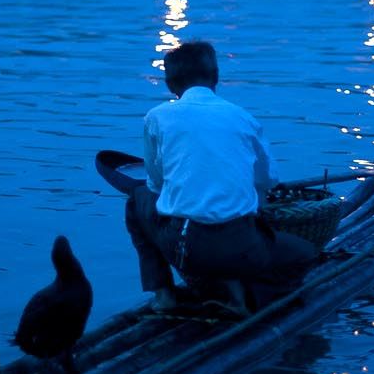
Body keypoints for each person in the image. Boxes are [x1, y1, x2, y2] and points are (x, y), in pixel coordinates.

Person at [125, 40, 314, 312]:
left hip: (185, 248)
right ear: (216, 78)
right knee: (304, 254)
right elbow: (268, 180)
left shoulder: (158, 117)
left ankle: (164, 295)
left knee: (136, 199)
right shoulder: (244, 118)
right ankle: (244, 299)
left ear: (170, 84)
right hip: (244, 251)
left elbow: (155, 183)